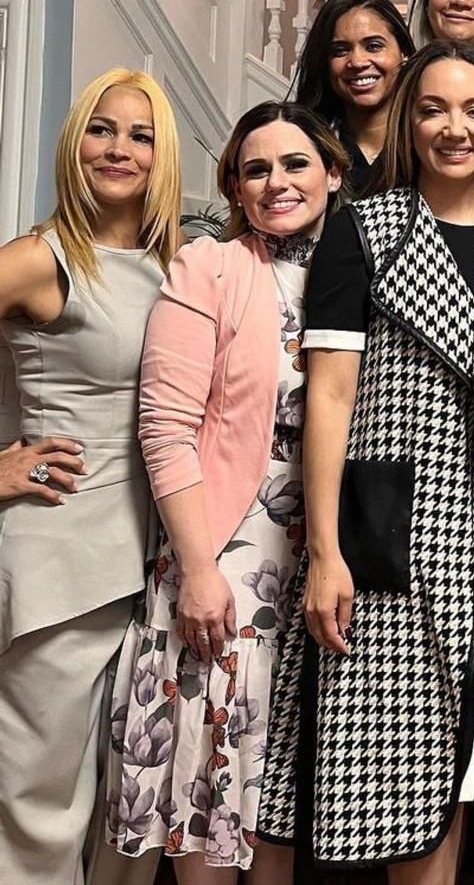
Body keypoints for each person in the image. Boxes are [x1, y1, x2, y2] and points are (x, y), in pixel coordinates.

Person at [257, 41, 474, 881]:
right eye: (434, 109)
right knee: (384, 777)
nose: (457, 129)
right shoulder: (362, 228)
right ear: (410, 122)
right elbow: (331, 398)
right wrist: (325, 551)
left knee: (464, 762)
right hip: (388, 536)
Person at [103, 103, 348, 881]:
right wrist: (199, 567)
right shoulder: (207, 266)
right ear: (235, 189)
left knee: (276, 781)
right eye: (256, 169)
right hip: (229, 547)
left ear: (334, 173)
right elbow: (165, 427)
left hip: (326, 545)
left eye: (296, 163)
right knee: (210, 780)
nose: (277, 182)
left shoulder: (359, 266)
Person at [0, 69, 183, 885]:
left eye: (140, 135)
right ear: (75, 143)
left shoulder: (178, 266)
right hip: (62, 559)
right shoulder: (42, 259)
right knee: (40, 806)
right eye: (102, 130)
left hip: (153, 566)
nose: (120, 149)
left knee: (130, 806)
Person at [292, 0, 416, 193]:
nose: (357, 62)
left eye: (374, 46)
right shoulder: (306, 146)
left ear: (404, 54)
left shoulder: (428, 144)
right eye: (340, 51)